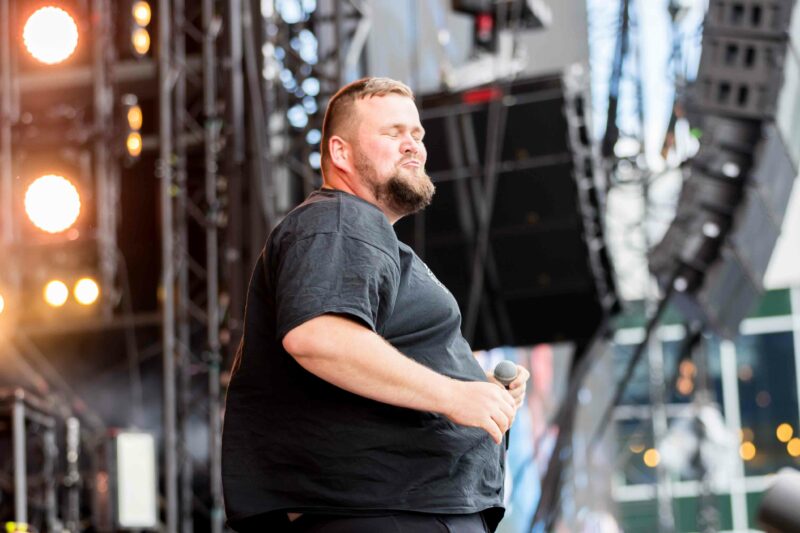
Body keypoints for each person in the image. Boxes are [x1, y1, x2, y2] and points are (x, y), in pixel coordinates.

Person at [221, 77, 531, 533]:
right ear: (341, 153)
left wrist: (473, 386)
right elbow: (319, 337)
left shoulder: (360, 232)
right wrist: (453, 395)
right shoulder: (338, 219)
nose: (413, 145)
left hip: (404, 508)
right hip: (387, 511)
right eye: (393, 132)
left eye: (417, 134)